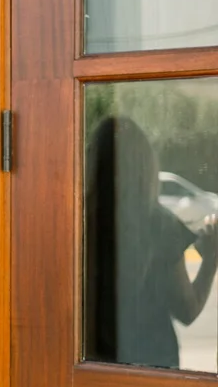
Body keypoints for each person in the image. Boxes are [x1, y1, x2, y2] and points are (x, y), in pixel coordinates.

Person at [84, 115, 218, 368]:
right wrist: (210, 260)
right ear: (146, 167)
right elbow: (187, 310)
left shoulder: (77, 222)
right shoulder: (159, 225)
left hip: (89, 367)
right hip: (153, 369)